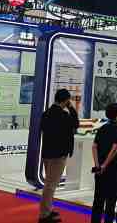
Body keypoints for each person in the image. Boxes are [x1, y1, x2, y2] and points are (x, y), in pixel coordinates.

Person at [39, 89, 80, 223]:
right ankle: (44, 214)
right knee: (51, 185)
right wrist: (71, 108)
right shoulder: (64, 115)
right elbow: (76, 124)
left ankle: (48, 209)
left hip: (47, 152)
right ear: (66, 100)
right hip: (58, 154)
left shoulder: (46, 114)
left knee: (50, 183)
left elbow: (43, 129)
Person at [92, 103, 117, 223]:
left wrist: (98, 165)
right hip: (113, 169)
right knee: (111, 202)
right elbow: (115, 147)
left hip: (100, 170)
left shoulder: (102, 128)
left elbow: (94, 146)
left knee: (98, 200)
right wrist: (105, 165)